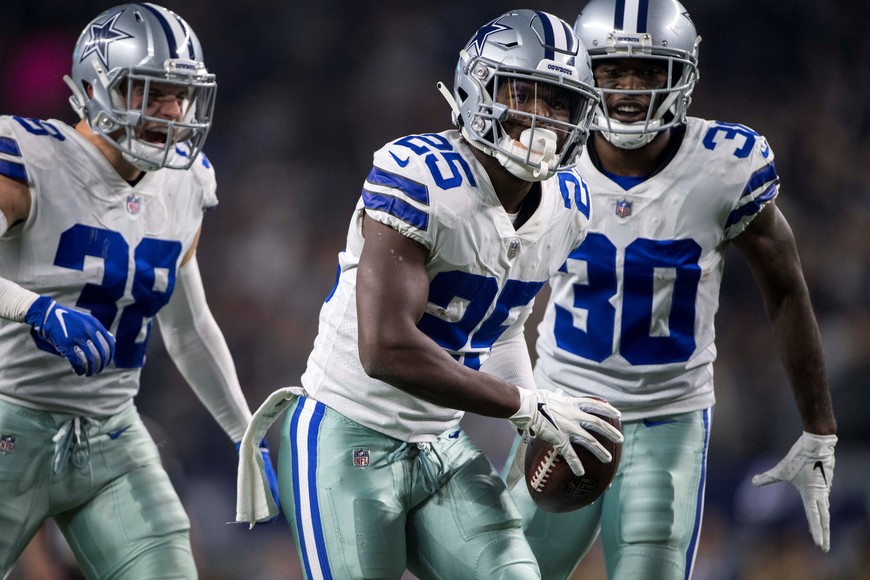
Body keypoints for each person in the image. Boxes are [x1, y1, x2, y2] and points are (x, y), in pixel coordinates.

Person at [234, 9, 624, 579]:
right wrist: (525, 406)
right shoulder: (420, 175)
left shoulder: (569, 204)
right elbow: (386, 348)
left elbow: (505, 326)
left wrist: (530, 414)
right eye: (524, 93)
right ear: (476, 89)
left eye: (559, 103)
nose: (540, 118)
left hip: (439, 443)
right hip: (346, 435)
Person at [503, 0, 839, 578]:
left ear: (681, 76)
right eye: (612, 71)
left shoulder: (725, 166)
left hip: (669, 418)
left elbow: (785, 290)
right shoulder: (546, 156)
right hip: (564, 408)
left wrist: (818, 428)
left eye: (648, 71)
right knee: (505, 571)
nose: (631, 90)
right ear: (585, 73)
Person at [0, 4, 279, 578]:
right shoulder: (31, 159)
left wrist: (242, 431)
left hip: (111, 432)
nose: (171, 111)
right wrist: (35, 310)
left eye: (178, 94)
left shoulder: (185, 183)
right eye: (149, 93)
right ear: (90, 87)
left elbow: (187, 324)